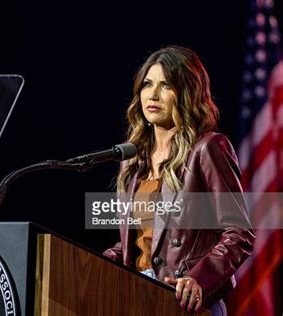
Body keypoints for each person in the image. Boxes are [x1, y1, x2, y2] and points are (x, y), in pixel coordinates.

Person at [103, 46, 255, 315]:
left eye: (166, 85)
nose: (153, 94)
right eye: (147, 84)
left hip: (185, 302)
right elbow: (142, 240)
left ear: (186, 93)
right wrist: (100, 261)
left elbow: (239, 233)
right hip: (135, 299)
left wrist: (199, 279)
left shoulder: (207, 149)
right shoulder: (132, 159)